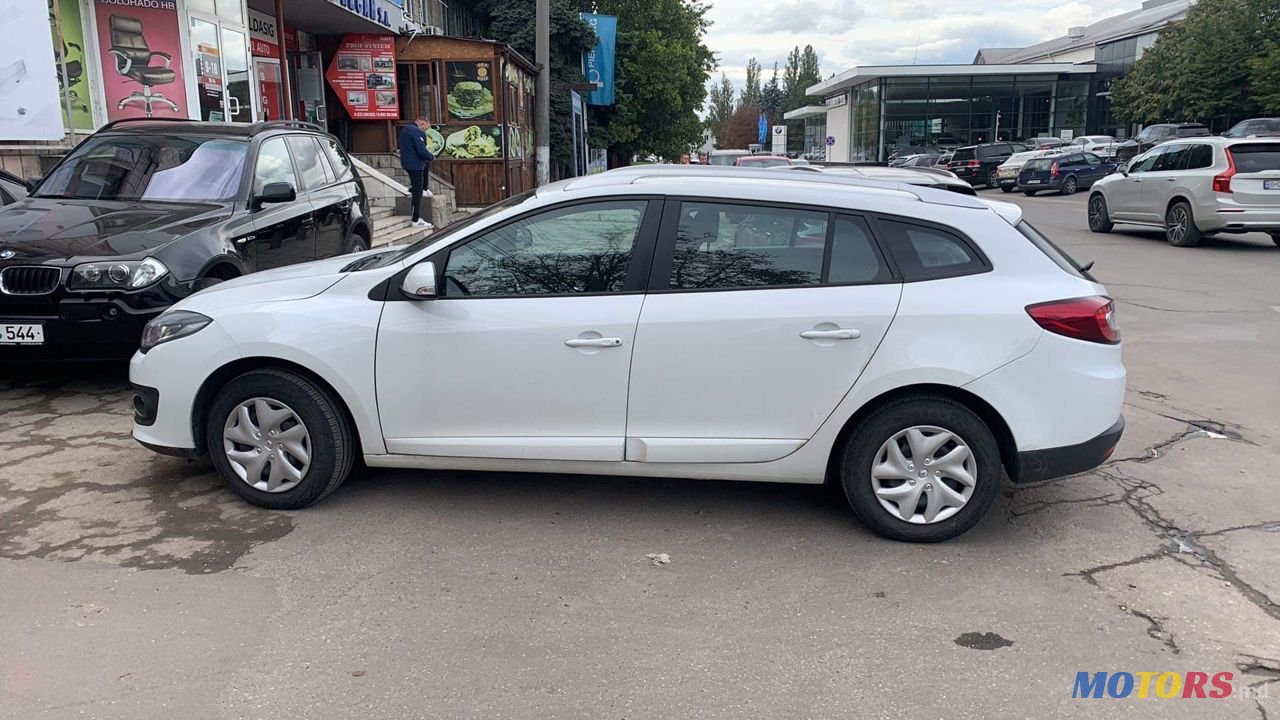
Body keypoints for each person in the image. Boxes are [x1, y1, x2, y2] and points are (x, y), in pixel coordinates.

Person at [398, 117, 435, 229]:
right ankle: (416, 219)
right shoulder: (416, 132)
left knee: (417, 185)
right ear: (422, 124)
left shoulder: (405, 130)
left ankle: (422, 188)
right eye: (425, 129)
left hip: (407, 163)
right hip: (415, 165)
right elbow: (421, 150)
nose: (424, 131)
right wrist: (431, 156)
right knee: (417, 193)